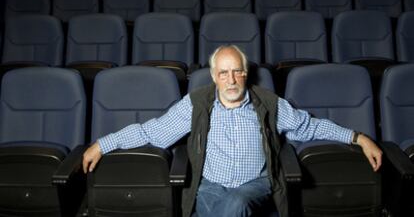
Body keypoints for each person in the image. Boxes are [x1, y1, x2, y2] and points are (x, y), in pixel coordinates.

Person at [83, 45, 383, 217]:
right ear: (214, 76)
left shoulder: (268, 104)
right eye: (223, 72)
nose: (231, 79)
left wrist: (358, 138)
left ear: (246, 73)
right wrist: (103, 144)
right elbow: (154, 132)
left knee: (237, 204)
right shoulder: (197, 104)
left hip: (256, 184)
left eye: (237, 71)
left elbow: (309, 126)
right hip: (209, 186)